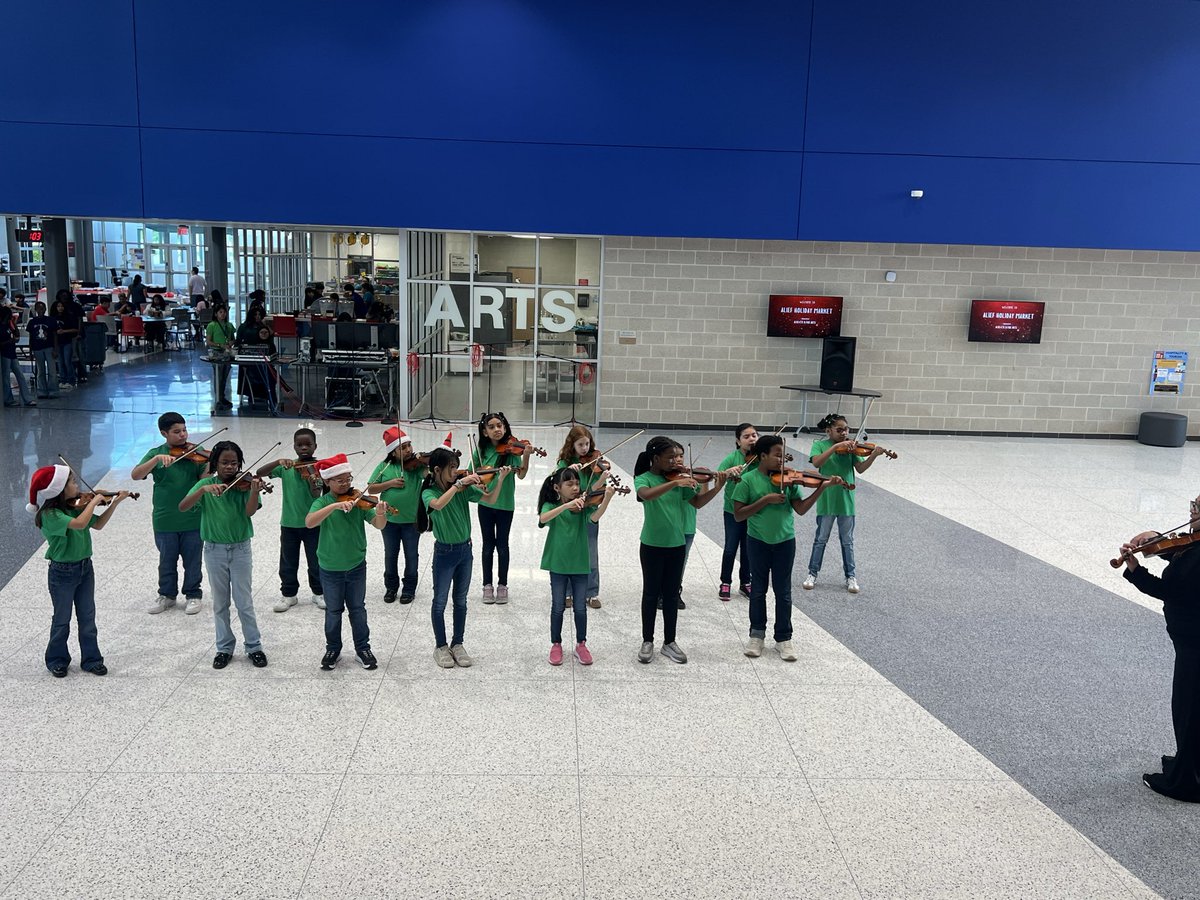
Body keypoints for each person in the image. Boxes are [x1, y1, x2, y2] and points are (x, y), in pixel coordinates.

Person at [733, 434, 842, 661]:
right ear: (763, 456)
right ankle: (756, 635)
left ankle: (784, 638)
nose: (782, 461)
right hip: (757, 541)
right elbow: (738, 515)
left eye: (783, 456)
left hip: (785, 542)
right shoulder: (748, 480)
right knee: (759, 590)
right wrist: (765, 500)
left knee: (783, 592)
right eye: (777, 456)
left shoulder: (788, 480)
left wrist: (821, 488)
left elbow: (800, 509)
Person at [1121, 502, 1200, 802]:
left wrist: (1134, 570)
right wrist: (1155, 537)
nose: (1193, 511)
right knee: (1192, 707)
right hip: (1191, 640)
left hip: (1195, 642)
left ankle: (1186, 783)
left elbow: (1169, 589)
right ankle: (1188, 763)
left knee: (1188, 709)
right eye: (1194, 504)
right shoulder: (1196, 545)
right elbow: (1182, 551)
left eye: (1199, 508)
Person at [29, 465, 131, 677]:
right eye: (72, 482)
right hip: (62, 572)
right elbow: (79, 523)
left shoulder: (75, 506)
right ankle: (57, 659)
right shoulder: (51, 514)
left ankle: (92, 660)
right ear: (59, 489)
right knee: (61, 618)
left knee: (87, 617)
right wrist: (94, 501)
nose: (77, 485)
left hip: (85, 568)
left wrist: (116, 503)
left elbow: (98, 524)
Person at [179, 441, 269, 670]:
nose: (230, 467)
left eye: (234, 463)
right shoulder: (206, 484)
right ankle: (224, 647)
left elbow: (249, 512)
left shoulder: (244, 484)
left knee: (244, 602)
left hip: (240, 549)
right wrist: (201, 489)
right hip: (213, 550)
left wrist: (254, 491)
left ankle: (254, 646)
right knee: (220, 602)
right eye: (225, 463)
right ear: (215, 464)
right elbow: (183, 507)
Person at [418, 444, 508, 668]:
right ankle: (440, 646)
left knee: (460, 601)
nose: (457, 472)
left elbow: (490, 499)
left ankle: (457, 643)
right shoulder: (429, 492)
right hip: (444, 553)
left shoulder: (461, 489)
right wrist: (459, 485)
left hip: (465, 551)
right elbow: (438, 505)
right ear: (437, 470)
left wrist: (501, 479)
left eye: (458, 468)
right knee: (439, 601)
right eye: (452, 468)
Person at [304, 453, 387, 672]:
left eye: (348, 478)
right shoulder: (322, 502)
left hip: (356, 565)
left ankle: (363, 648)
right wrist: (334, 507)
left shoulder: (358, 501)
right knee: (333, 610)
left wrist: (380, 513)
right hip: (330, 567)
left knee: (358, 609)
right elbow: (310, 523)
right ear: (327, 481)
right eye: (340, 480)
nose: (346, 484)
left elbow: (378, 525)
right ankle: (333, 648)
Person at [632, 436, 702, 664]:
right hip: (651, 544)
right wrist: (673, 483)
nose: (675, 461)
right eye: (669, 457)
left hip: (677, 544)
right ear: (655, 459)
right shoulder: (645, 478)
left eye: (676, 457)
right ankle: (647, 641)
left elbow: (697, 502)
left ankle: (669, 642)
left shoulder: (680, 479)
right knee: (650, 593)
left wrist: (718, 484)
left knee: (671, 595)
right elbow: (645, 495)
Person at [537, 466, 615, 666]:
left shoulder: (584, 507)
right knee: (557, 606)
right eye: (569, 484)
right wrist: (565, 506)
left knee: (580, 608)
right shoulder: (550, 505)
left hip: (580, 564)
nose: (575, 487)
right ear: (557, 487)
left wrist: (607, 498)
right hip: (558, 564)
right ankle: (556, 644)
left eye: (577, 484)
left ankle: (581, 644)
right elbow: (543, 518)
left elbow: (595, 517)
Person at [131, 412, 206, 615]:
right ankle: (167, 595)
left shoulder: (196, 452)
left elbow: (204, 479)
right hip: (165, 518)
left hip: (193, 515)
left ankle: (193, 594)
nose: (183, 435)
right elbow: (136, 475)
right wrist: (155, 459)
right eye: (176, 432)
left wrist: (211, 464)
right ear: (164, 433)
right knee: (166, 560)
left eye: (184, 430)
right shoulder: (157, 453)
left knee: (193, 560)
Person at [803, 413, 884, 594]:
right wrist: (835, 447)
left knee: (847, 541)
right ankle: (812, 573)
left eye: (846, 429)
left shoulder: (852, 448)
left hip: (846, 500)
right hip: (827, 499)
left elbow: (860, 469)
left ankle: (851, 576)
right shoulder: (819, 445)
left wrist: (874, 456)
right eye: (839, 430)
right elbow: (817, 463)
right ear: (828, 431)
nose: (844, 433)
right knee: (820, 539)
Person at [256, 428, 326, 613]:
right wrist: (278, 461)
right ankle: (289, 594)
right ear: (294, 446)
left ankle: (319, 592)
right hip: (289, 524)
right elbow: (260, 472)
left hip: (313, 523)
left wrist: (313, 481)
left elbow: (316, 493)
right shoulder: (286, 467)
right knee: (287, 561)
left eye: (308, 445)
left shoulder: (318, 468)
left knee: (316, 560)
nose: (304, 448)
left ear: (315, 446)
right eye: (299, 445)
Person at [472, 412, 532, 604]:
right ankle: (487, 585)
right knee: (488, 545)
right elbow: (473, 474)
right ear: (485, 431)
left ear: (505, 428)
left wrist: (527, 457)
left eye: (500, 425)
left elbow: (521, 474)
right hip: (485, 503)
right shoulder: (481, 452)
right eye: (492, 427)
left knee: (503, 545)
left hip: (506, 504)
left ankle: (503, 585)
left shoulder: (511, 450)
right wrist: (478, 483)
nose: (497, 429)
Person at [367, 426, 426, 604]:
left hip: (412, 521)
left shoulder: (416, 467)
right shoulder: (384, 467)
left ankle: (409, 588)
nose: (409, 450)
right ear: (393, 452)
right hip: (389, 520)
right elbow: (371, 487)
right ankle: (391, 587)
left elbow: (427, 473)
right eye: (403, 447)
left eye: (409, 445)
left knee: (411, 555)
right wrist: (390, 483)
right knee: (391, 554)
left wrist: (427, 463)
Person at [556, 425, 606, 608]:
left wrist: (601, 481)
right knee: (570, 552)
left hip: (589, 512)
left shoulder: (596, 462)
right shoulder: (564, 463)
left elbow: (599, 490)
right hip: (569, 513)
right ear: (572, 445)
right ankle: (568, 592)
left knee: (591, 553)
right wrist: (567, 470)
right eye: (581, 445)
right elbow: (555, 485)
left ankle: (591, 592)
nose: (585, 448)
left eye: (587, 444)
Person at [717, 423, 759, 601]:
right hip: (732, 510)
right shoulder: (732, 458)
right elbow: (717, 475)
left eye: (754, 435)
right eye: (746, 436)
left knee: (748, 548)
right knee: (730, 548)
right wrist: (728, 472)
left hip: (752, 509)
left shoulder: (760, 458)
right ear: (738, 440)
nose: (751, 439)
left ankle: (745, 582)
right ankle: (725, 582)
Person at [0, 306, 34, 407]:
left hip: (12, 353)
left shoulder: (9, 325)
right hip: (4, 354)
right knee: (5, 378)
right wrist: (9, 341)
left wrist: (13, 324)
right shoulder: (0, 327)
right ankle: (8, 399)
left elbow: (17, 335)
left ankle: (27, 399)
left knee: (20, 375)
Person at [26, 301, 59, 400]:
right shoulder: (32, 322)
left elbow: (55, 335)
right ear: (35, 310)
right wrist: (30, 350)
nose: (40, 310)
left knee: (52, 370)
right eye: (38, 308)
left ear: (45, 309)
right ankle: (42, 391)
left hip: (49, 347)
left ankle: (53, 391)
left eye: (42, 308)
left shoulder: (51, 320)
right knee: (40, 371)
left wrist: (55, 348)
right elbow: (31, 337)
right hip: (37, 348)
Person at [205, 305, 235, 409]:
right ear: (216, 314)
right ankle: (218, 398)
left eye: (224, 312)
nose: (223, 314)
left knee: (225, 377)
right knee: (218, 376)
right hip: (216, 353)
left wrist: (230, 343)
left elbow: (233, 339)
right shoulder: (211, 325)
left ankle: (222, 397)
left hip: (227, 353)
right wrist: (219, 345)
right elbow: (208, 341)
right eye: (220, 312)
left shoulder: (229, 325)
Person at [50, 295, 79, 390]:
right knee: (60, 362)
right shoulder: (53, 318)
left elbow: (75, 329)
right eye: (58, 306)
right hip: (57, 342)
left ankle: (71, 380)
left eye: (62, 306)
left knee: (67, 362)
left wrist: (64, 331)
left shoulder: (69, 317)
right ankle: (63, 380)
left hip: (67, 341)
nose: (60, 308)